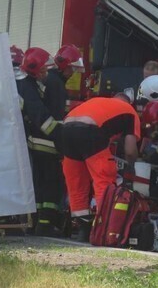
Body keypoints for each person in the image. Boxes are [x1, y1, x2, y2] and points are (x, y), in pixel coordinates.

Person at [58, 93, 140, 241]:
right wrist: (132, 165)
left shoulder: (97, 102)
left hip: (66, 129)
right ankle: (105, 229)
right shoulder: (129, 111)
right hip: (90, 131)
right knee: (104, 180)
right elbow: (130, 150)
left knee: (76, 184)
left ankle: (83, 229)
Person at [18, 47, 66, 237]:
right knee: (50, 184)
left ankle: (35, 222)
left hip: (33, 142)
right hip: (41, 144)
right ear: (33, 70)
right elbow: (41, 118)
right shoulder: (28, 88)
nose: (46, 73)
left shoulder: (28, 84)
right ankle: (44, 225)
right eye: (44, 70)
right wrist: (61, 136)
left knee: (38, 184)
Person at [45, 44, 84, 118]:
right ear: (63, 65)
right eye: (71, 68)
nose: (72, 73)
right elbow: (58, 112)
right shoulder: (57, 83)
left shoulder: (52, 78)